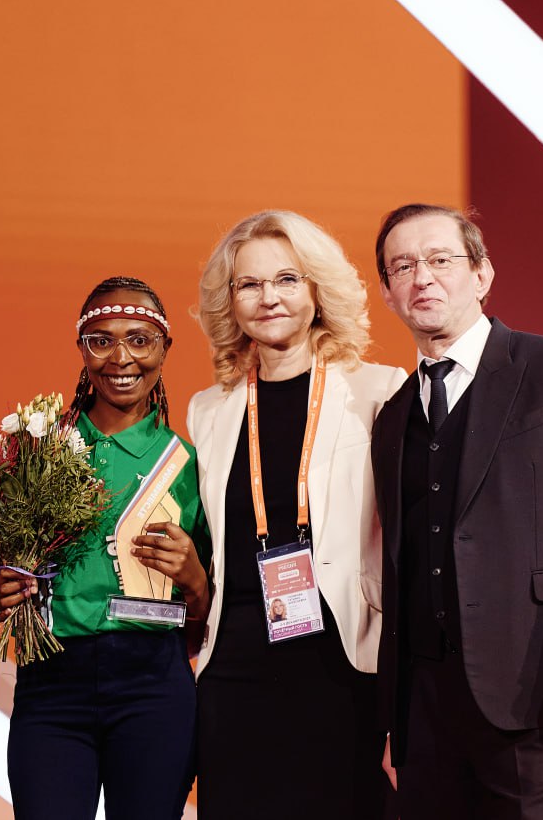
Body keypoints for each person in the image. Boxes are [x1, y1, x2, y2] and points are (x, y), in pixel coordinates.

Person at [370, 203, 543, 819]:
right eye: (402, 266)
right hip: (425, 709)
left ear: (482, 273)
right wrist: (394, 715)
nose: (422, 277)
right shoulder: (394, 415)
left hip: (534, 690)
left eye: (440, 259)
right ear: (387, 292)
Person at [188, 210, 407, 819]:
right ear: (229, 300)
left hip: (341, 664)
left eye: (287, 279)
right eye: (249, 284)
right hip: (235, 668)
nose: (269, 298)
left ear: (317, 290)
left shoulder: (379, 391)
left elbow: (405, 544)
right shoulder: (208, 409)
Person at [0, 276, 211, 820]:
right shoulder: (35, 453)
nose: (121, 358)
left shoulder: (192, 463)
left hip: (154, 683)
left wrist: (196, 582)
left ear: (165, 348)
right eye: (101, 340)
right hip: (51, 686)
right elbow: (1, 577)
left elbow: (203, 623)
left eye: (140, 339)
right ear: (81, 349)